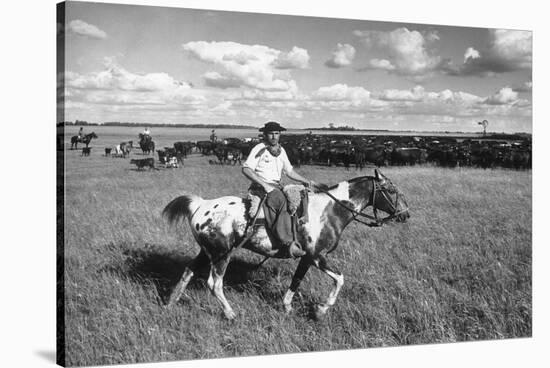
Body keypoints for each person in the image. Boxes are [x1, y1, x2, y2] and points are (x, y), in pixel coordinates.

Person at [242, 121, 317, 258]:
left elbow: (289, 171)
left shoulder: (281, 151)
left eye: (277, 133)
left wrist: (306, 181)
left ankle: (300, 234)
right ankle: (286, 242)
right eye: (271, 134)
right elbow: (246, 169)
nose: (274, 137)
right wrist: (264, 185)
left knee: (300, 195)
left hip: (276, 185)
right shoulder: (259, 149)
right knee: (281, 200)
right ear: (265, 135)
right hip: (261, 186)